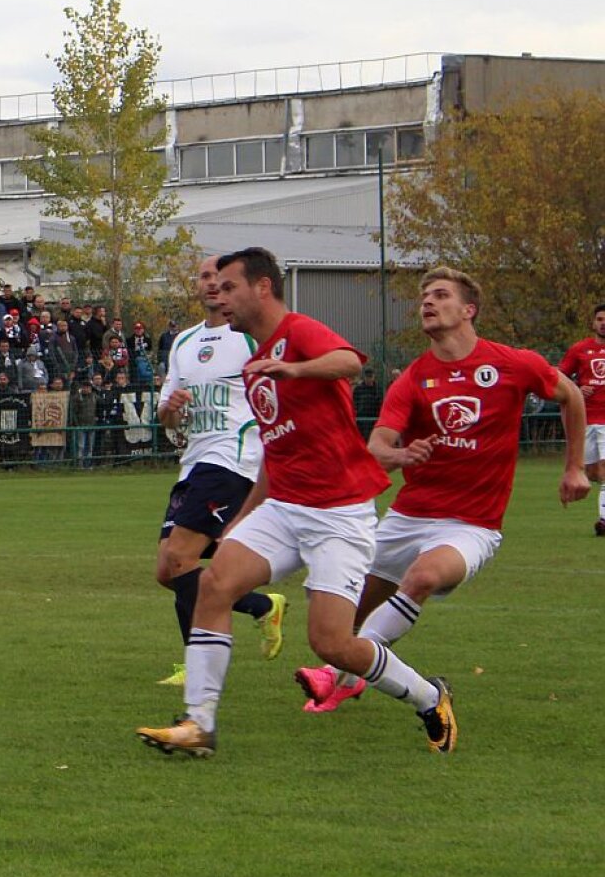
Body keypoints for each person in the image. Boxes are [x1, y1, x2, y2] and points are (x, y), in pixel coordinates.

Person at [137, 247, 457, 759]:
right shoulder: (252, 362)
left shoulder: (297, 333)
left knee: (332, 644)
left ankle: (428, 696)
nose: (220, 295)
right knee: (212, 585)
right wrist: (243, 520)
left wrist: (294, 370)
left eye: (230, 286)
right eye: (215, 287)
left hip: (339, 513)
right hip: (284, 507)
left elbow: (349, 361)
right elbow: (275, 453)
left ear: (262, 287)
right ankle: (199, 724)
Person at [296, 267, 589, 712]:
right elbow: (377, 447)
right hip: (408, 516)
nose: (427, 303)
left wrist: (574, 469)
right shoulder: (414, 378)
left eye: (440, 295)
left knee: (425, 576)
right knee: (343, 615)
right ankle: (349, 672)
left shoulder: (513, 363)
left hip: (471, 525)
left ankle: (342, 674)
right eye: (424, 297)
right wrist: (402, 456)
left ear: (468, 310)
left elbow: (573, 396)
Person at [152, 255, 285, 689]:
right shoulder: (185, 342)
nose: (212, 285)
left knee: (180, 558)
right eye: (206, 277)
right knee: (168, 570)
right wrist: (169, 412)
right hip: (193, 463)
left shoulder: (248, 338)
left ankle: (197, 667)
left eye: (221, 280)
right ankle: (262, 605)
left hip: (233, 459)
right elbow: (166, 417)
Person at [558, 303, 605, 534]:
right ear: (593, 323)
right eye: (600, 319)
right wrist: (578, 386)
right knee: (593, 473)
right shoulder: (579, 350)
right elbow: (558, 377)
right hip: (585, 420)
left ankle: (603, 520)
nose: (603, 323)